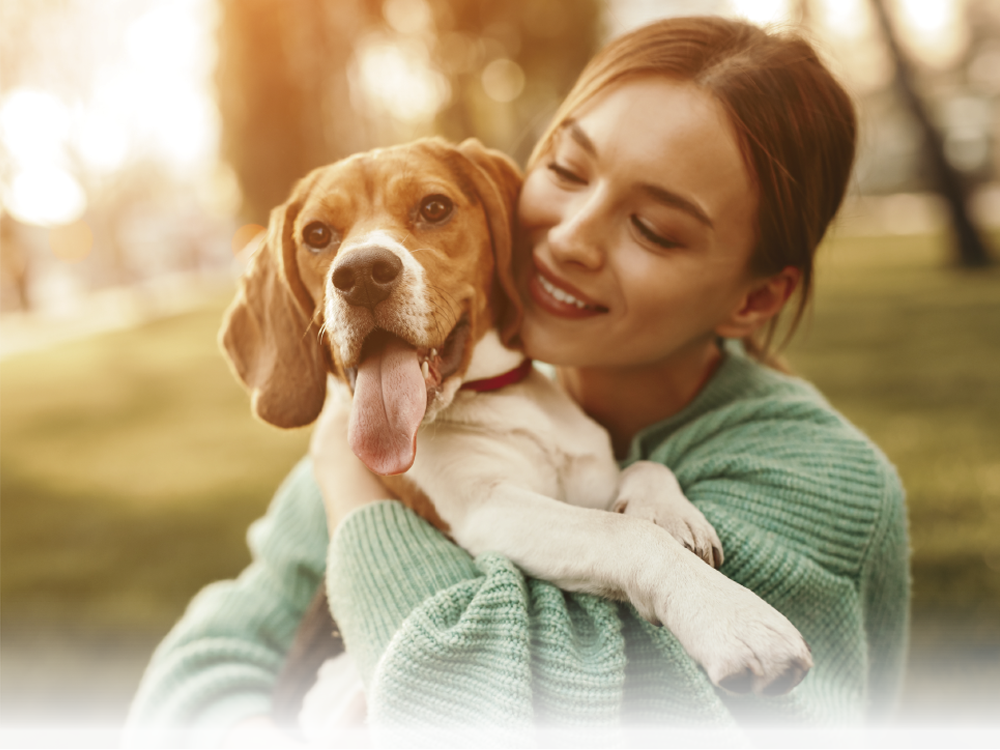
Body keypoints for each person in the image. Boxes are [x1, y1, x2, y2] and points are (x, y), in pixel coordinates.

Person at [122, 15, 909, 750]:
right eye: (567, 170)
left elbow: (473, 723)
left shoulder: (815, 485)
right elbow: (192, 676)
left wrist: (352, 490)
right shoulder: (391, 414)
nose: (569, 239)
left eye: (654, 228)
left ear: (755, 298)